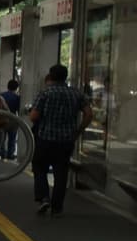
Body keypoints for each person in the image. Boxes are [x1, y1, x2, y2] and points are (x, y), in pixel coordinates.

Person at [30, 64, 92, 217]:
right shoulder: (76, 94)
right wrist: (78, 131)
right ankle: (57, 206)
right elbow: (89, 114)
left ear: (50, 76)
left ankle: (44, 197)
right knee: (61, 172)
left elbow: (34, 116)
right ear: (66, 76)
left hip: (45, 138)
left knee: (39, 167)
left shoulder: (45, 93)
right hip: (66, 140)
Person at [0, 79, 21, 160]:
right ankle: (10, 154)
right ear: (17, 88)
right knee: (12, 139)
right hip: (13, 120)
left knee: (2, 138)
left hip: (2, 119)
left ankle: (2, 153)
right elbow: (18, 110)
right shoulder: (17, 97)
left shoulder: (1, 95)